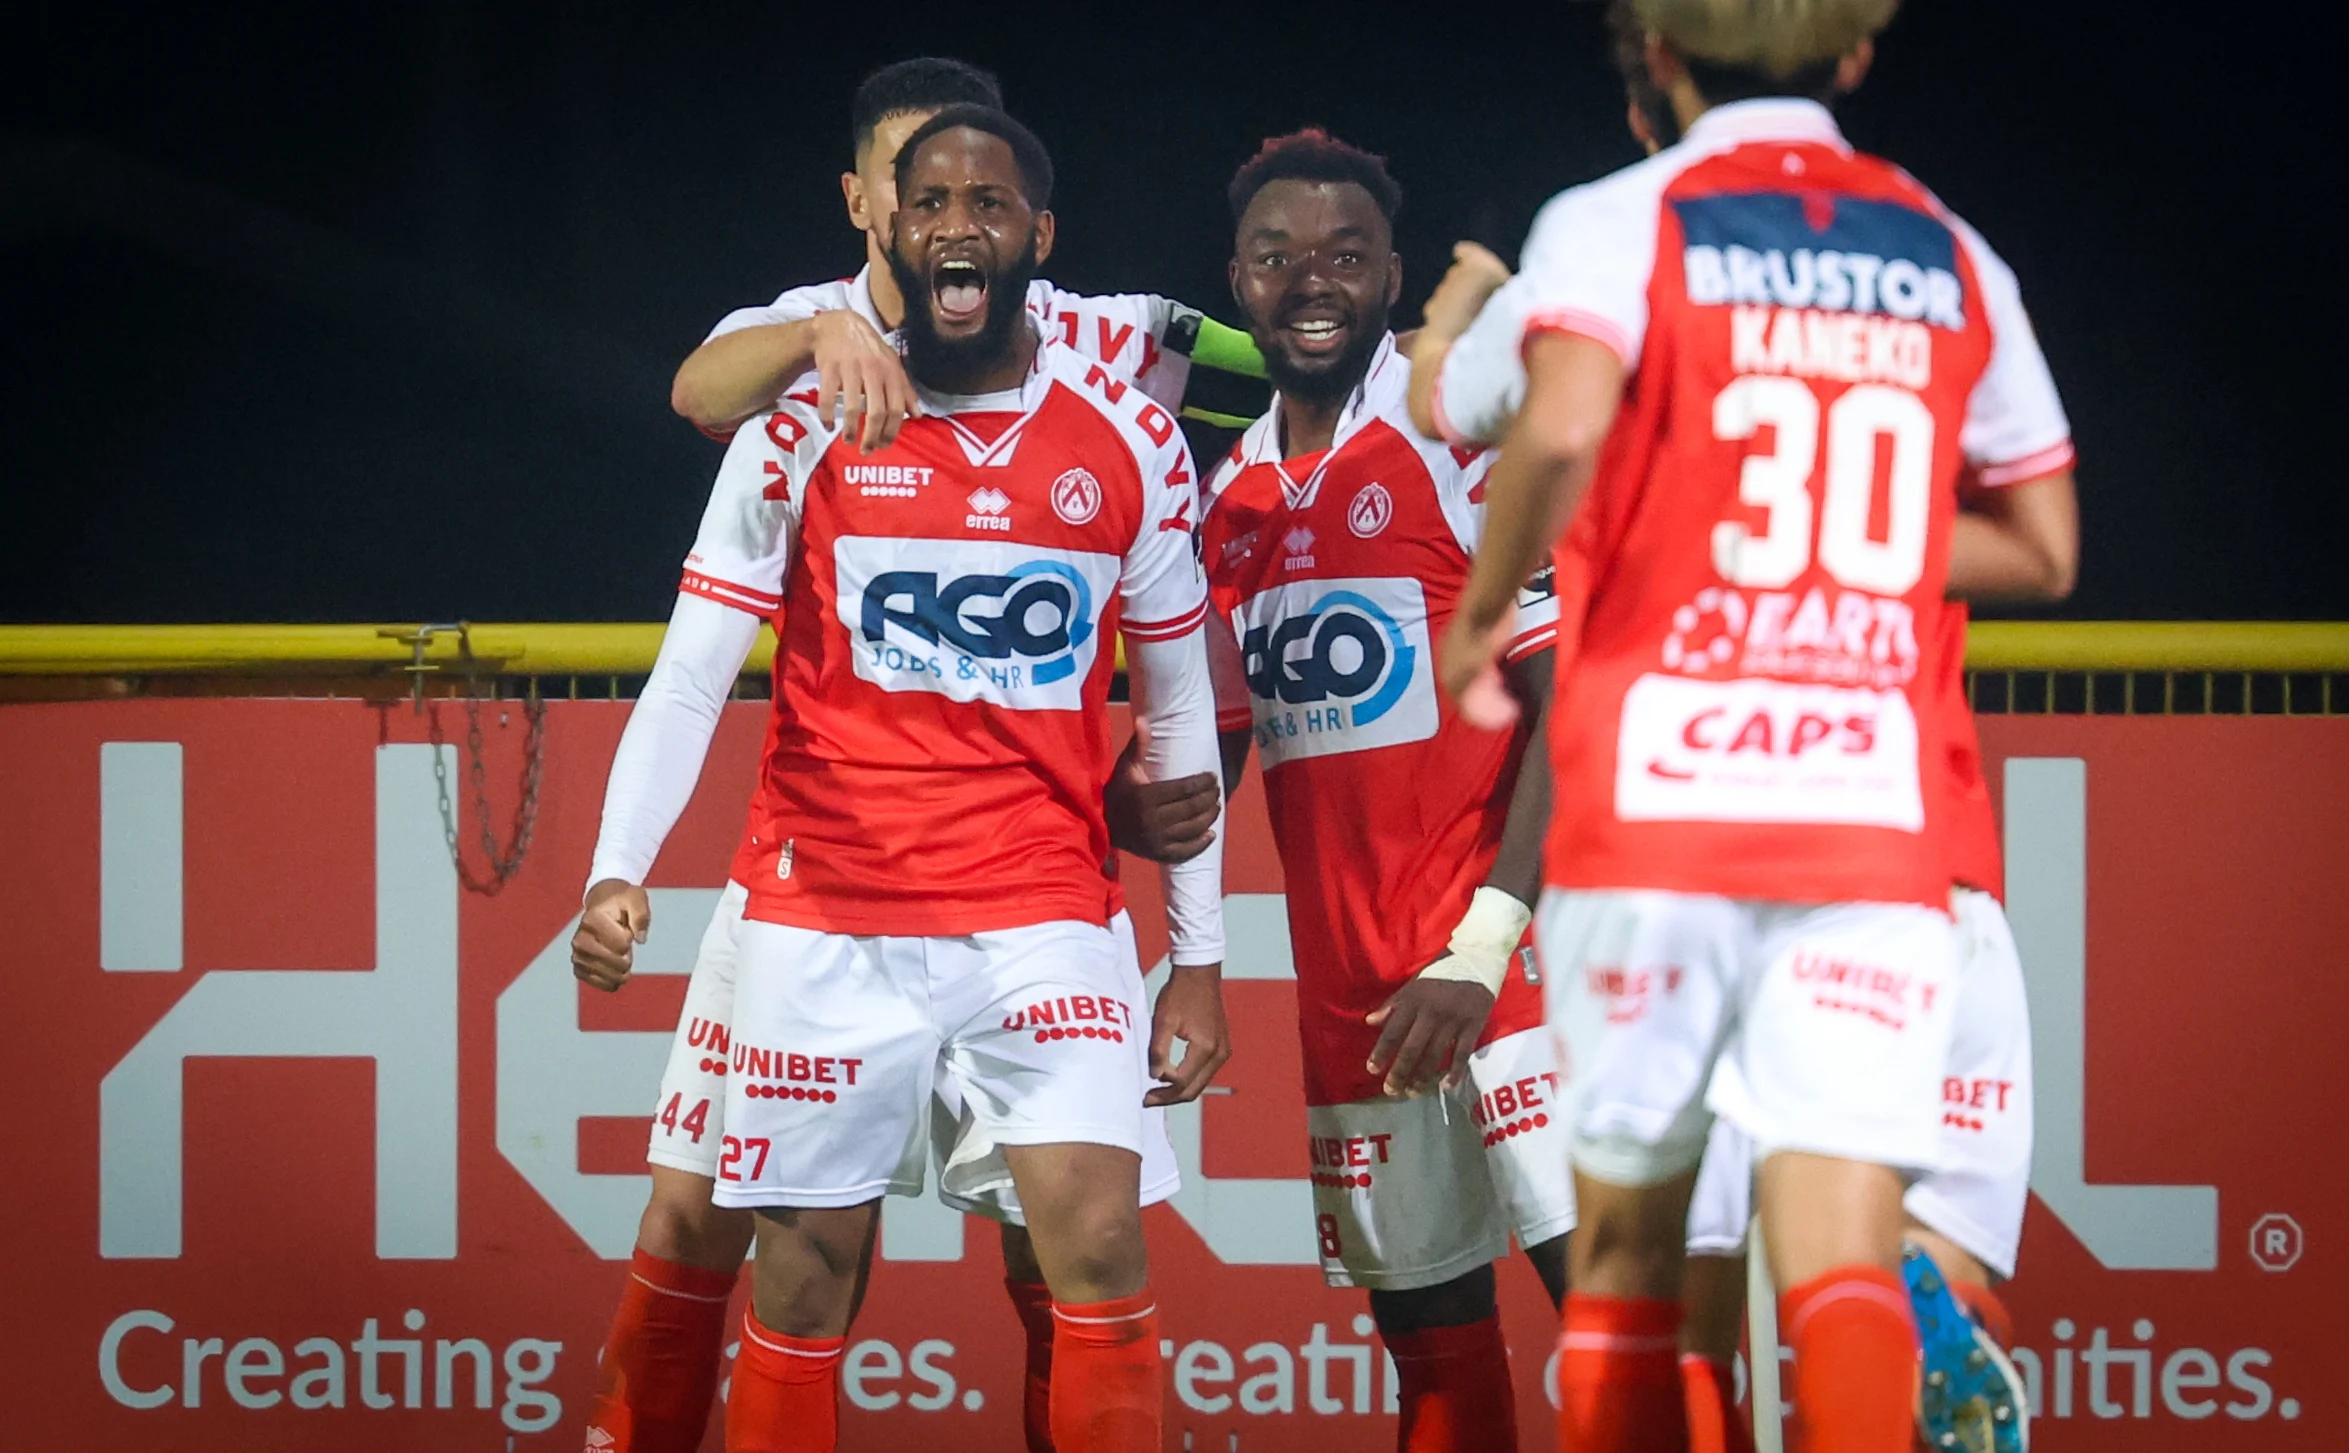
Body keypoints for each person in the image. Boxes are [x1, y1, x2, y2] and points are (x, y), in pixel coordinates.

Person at [1408, 0, 2079, 1447]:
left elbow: (1538, 419)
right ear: (1853, 56)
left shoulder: (1610, 226)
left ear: (1654, 59)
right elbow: (2041, 548)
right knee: (1841, 1260)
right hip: (1871, 822)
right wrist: (1844, 537)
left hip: (1655, 815)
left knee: (1637, 1262)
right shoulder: (1954, 253)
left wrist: (1475, 621)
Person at [570, 58, 1225, 1453]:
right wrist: (618, 866)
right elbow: (697, 409)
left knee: (1081, 1244)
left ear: (1039, 232)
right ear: (867, 209)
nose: (945, 217)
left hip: (1041, 902)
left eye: (985, 196)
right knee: (737, 1233)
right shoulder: (797, 371)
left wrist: (1403, 364)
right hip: (817, 895)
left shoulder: (1119, 395)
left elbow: (1252, 351)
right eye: (915, 189)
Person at [1198, 130, 1573, 1453]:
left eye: (1346, 255)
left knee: (1620, 1341)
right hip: (1357, 1000)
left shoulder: (1454, 442)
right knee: (1435, 1364)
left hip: (1516, 974)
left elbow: (1568, 711)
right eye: (1280, 255)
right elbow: (1210, 766)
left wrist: (1482, 949)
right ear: (1236, 281)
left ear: (1393, 276)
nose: (1314, 281)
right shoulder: (1224, 501)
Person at [668, 57, 1264, 451]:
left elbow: (1302, 372)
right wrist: (819, 337)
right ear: (856, 200)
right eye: (909, 173)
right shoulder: (808, 328)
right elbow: (697, 393)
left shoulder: (1094, 335)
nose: (949, 212)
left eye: (974, 183)